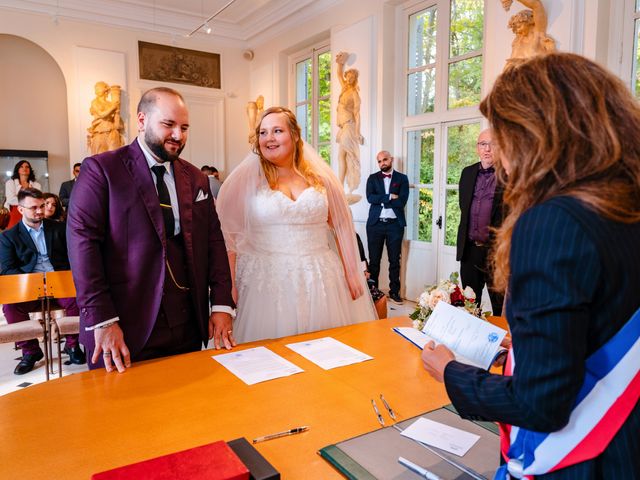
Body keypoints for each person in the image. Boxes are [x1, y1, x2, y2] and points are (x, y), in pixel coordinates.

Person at [421, 53, 640, 478]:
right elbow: (605, 316)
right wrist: (524, 345)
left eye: (501, 135)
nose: (497, 153)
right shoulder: (622, 205)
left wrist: (450, 373)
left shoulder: (553, 222)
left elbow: (540, 404)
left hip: (581, 459)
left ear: (533, 133)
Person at [67, 87, 235, 373]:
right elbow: (83, 246)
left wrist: (221, 304)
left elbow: (213, 242)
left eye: (184, 127)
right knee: (123, 413)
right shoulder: (102, 170)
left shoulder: (196, 178)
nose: (178, 136)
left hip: (187, 322)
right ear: (142, 120)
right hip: (124, 321)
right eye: (168, 125)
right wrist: (104, 320)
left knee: (187, 407)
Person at [216, 106, 376, 343]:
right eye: (263, 132)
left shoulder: (320, 179)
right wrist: (228, 286)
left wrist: (352, 271)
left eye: (277, 131)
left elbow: (341, 224)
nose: (268, 138)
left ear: (295, 135)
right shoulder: (246, 181)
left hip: (321, 278)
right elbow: (229, 236)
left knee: (326, 351)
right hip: (267, 283)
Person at [0, 188, 85, 375]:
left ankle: (72, 346)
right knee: (10, 307)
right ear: (20, 209)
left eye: (41, 206)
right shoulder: (8, 237)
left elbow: (74, 257)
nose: (39, 211)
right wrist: (36, 284)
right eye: (33, 208)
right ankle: (30, 351)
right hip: (29, 288)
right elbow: (7, 270)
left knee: (78, 300)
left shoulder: (59, 228)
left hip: (60, 282)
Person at [456, 129, 504, 315]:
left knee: (499, 306)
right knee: (469, 305)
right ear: (477, 148)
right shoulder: (467, 173)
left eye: (493, 144)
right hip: (470, 251)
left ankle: (502, 343)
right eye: (483, 144)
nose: (487, 149)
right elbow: (464, 208)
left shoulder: (508, 175)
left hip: (496, 253)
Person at [365, 150, 409, 305]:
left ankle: (394, 292)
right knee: (374, 261)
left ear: (391, 159)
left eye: (384, 160)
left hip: (394, 225)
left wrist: (382, 200)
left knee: (394, 261)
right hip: (375, 225)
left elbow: (401, 201)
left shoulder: (402, 179)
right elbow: (370, 198)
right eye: (379, 161)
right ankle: (373, 292)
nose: (382, 163)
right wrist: (390, 197)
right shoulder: (372, 178)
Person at [335, 52, 364, 199]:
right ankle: (340, 185)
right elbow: (339, 75)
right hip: (343, 127)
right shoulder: (343, 89)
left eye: (353, 78)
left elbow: (357, 114)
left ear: (355, 80)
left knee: (343, 155)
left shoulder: (353, 93)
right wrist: (340, 63)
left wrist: (358, 132)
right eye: (349, 77)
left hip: (349, 125)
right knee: (342, 156)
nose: (350, 79)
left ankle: (340, 185)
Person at [502, 0, 555, 66]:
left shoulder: (538, 35)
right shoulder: (517, 42)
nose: (518, 31)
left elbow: (536, 5)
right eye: (516, 28)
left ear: (529, 21)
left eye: (519, 26)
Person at [86, 81, 124, 155]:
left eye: (99, 87)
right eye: (96, 88)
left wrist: (117, 112)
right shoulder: (94, 102)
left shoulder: (110, 103)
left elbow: (116, 123)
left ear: (105, 89)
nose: (96, 89)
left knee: (114, 157)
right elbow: (101, 114)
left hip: (112, 132)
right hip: (100, 132)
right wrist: (113, 107)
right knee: (99, 157)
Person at [356, 233, 387, 320]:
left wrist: (365, 271)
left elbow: (362, 258)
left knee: (382, 299)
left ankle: (381, 329)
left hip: (359, 277)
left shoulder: (355, 235)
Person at [4, 160, 42, 230]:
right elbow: (11, 200)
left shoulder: (37, 185)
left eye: (27, 167)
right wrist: (29, 201)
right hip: (14, 212)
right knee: (14, 234)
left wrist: (19, 198)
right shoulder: (10, 183)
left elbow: (38, 200)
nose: (24, 168)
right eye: (21, 167)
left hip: (32, 212)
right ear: (18, 170)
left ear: (30, 170)